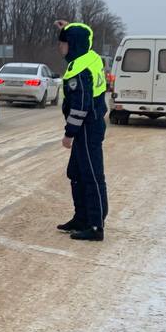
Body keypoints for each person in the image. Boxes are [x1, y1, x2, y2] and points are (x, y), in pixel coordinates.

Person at [55, 20, 109, 241]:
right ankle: (82, 217)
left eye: (64, 43)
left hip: (87, 128)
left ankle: (96, 226)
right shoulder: (89, 56)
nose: (60, 47)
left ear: (73, 44)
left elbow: (81, 105)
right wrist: (68, 28)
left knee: (91, 175)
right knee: (76, 173)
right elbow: (86, 33)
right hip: (88, 126)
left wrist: (69, 133)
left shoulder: (81, 69)